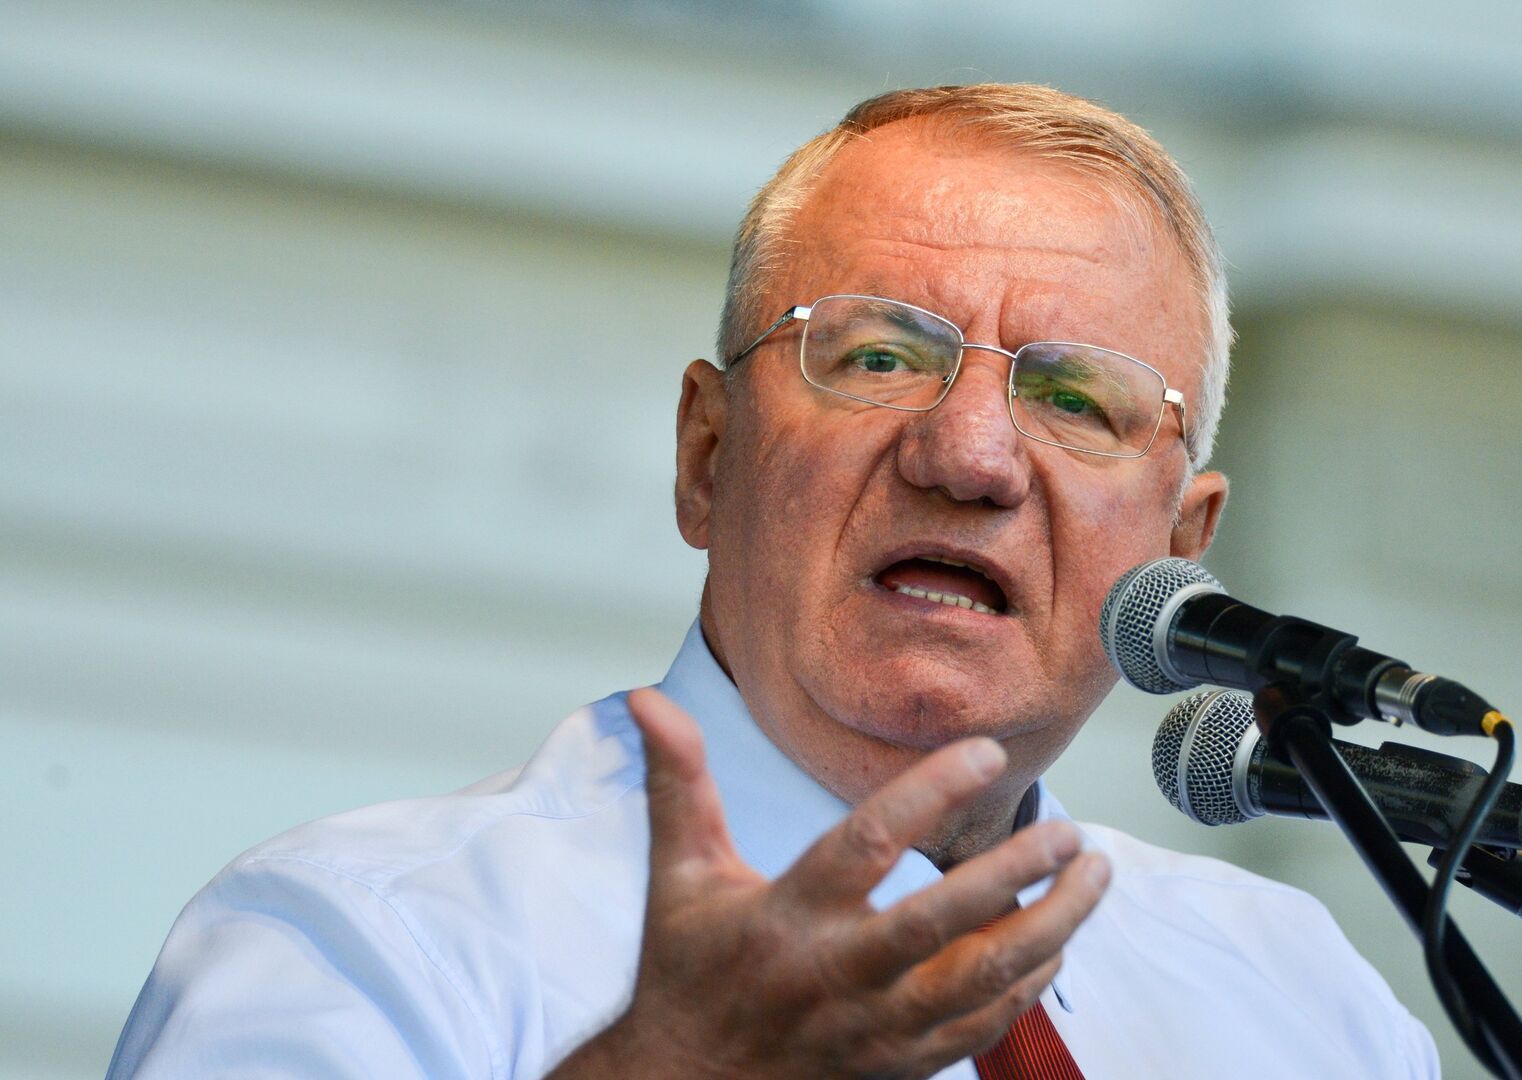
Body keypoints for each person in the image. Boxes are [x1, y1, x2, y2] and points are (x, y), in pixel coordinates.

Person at [107, 84, 1440, 1078]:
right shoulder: (365, 934)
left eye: (1076, 399)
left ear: (1179, 548)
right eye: (878, 359)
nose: (970, 457)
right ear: (706, 457)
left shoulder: (1305, 1009)